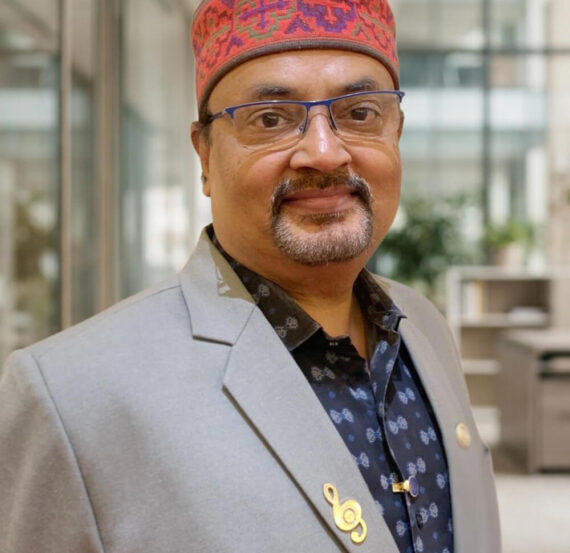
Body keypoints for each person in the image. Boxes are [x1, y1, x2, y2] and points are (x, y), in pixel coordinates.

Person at [0, 1, 500, 552]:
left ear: (396, 133)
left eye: (360, 113)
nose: (324, 153)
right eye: (271, 119)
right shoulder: (72, 395)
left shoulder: (425, 328)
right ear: (205, 156)